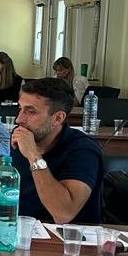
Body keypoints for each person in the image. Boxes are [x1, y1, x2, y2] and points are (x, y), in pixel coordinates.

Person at [12, 77, 103, 224]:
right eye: (20, 109)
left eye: (31, 112)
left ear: (57, 118)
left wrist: (33, 155)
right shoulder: (25, 136)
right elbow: (8, 163)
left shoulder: (84, 150)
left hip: (68, 236)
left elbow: (63, 213)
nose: (19, 119)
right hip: (22, 230)